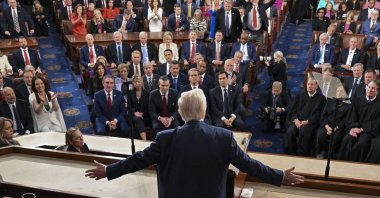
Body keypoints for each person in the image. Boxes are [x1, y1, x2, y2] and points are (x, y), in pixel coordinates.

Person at [85, 88, 304, 197]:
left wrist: (109, 170)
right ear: (204, 110)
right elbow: (249, 165)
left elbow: (137, 161)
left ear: (180, 112)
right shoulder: (223, 137)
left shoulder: (165, 138)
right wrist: (280, 176)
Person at [338, 80, 380, 162]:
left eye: (373, 88)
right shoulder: (357, 100)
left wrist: (361, 129)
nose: (370, 90)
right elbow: (351, 116)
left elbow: (377, 122)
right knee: (347, 139)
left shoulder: (378, 105)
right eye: (369, 87)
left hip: (368, 131)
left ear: (377, 91)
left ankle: (357, 167)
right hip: (354, 128)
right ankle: (342, 164)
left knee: (362, 142)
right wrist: (353, 128)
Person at [284, 78, 326, 156]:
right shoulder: (300, 96)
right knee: (290, 132)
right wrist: (296, 120)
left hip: (310, 122)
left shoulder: (321, 98)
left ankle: (302, 154)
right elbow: (293, 110)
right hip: (298, 120)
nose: (309, 86)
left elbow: (320, 114)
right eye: (308, 84)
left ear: (316, 86)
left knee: (304, 132)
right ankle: (291, 152)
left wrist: (307, 122)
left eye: (312, 84)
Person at [316, 85, 350, 159]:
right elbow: (323, 115)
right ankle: (321, 152)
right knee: (320, 137)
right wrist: (327, 127)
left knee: (334, 139)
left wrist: (335, 129)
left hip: (339, 128)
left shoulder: (348, 104)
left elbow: (345, 120)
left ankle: (330, 155)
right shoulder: (330, 101)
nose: (339, 93)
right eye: (337, 91)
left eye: (341, 91)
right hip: (327, 125)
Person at [129, 75, 150, 140]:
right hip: (133, 117)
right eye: (135, 82)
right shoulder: (130, 93)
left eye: (139, 82)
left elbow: (149, 107)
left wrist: (142, 114)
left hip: (145, 116)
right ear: (133, 83)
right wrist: (134, 113)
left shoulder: (147, 93)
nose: (137, 84)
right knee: (138, 119)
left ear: (142, 82)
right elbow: (128, 107)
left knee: (139, 120)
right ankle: (145, 140)